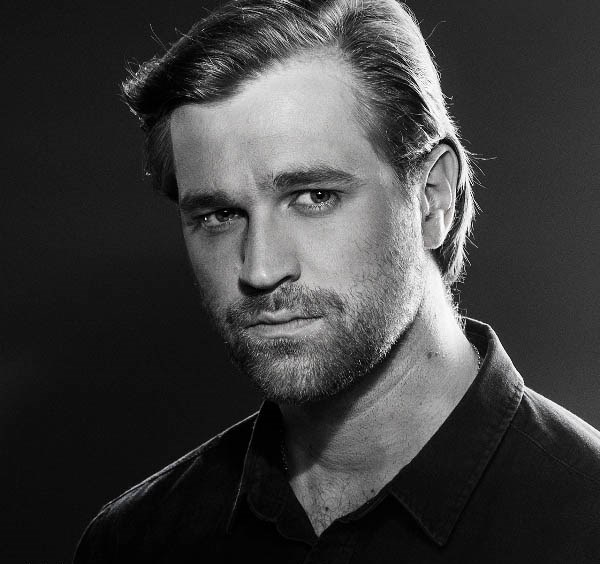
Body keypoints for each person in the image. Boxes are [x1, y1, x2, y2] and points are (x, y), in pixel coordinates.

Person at [74, 0, 600, 561]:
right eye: (219, 216)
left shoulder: (583, 522)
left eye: (314, 196)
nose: (259, 270)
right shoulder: (134, 542)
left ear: (432, 198)